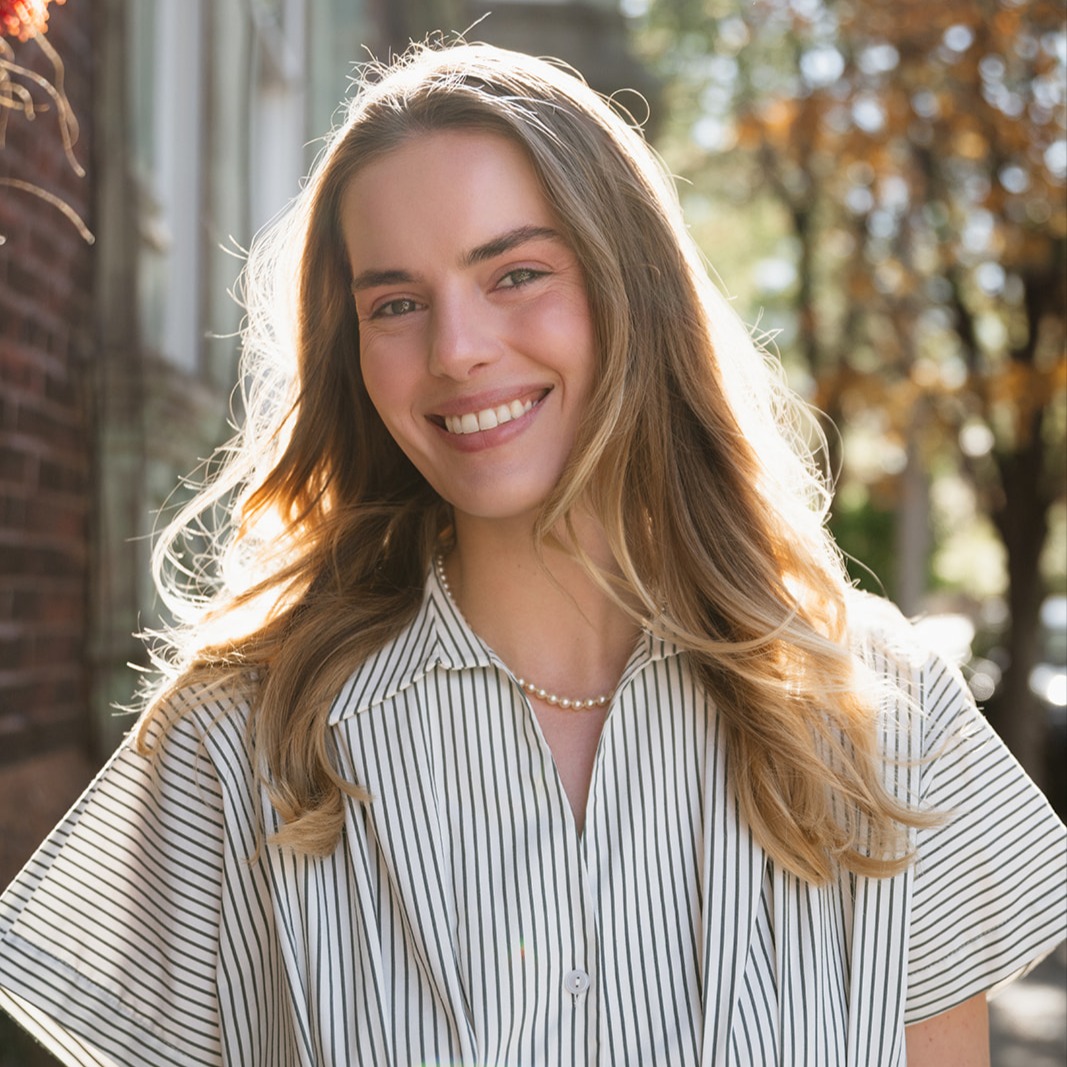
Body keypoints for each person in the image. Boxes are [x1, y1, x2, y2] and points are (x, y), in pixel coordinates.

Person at [0, 40, 1064, 1067]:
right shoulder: (239, 737)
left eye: (513, 273)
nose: (455, 348)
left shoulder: (884, 711)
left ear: (630, 290)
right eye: (397, 302)